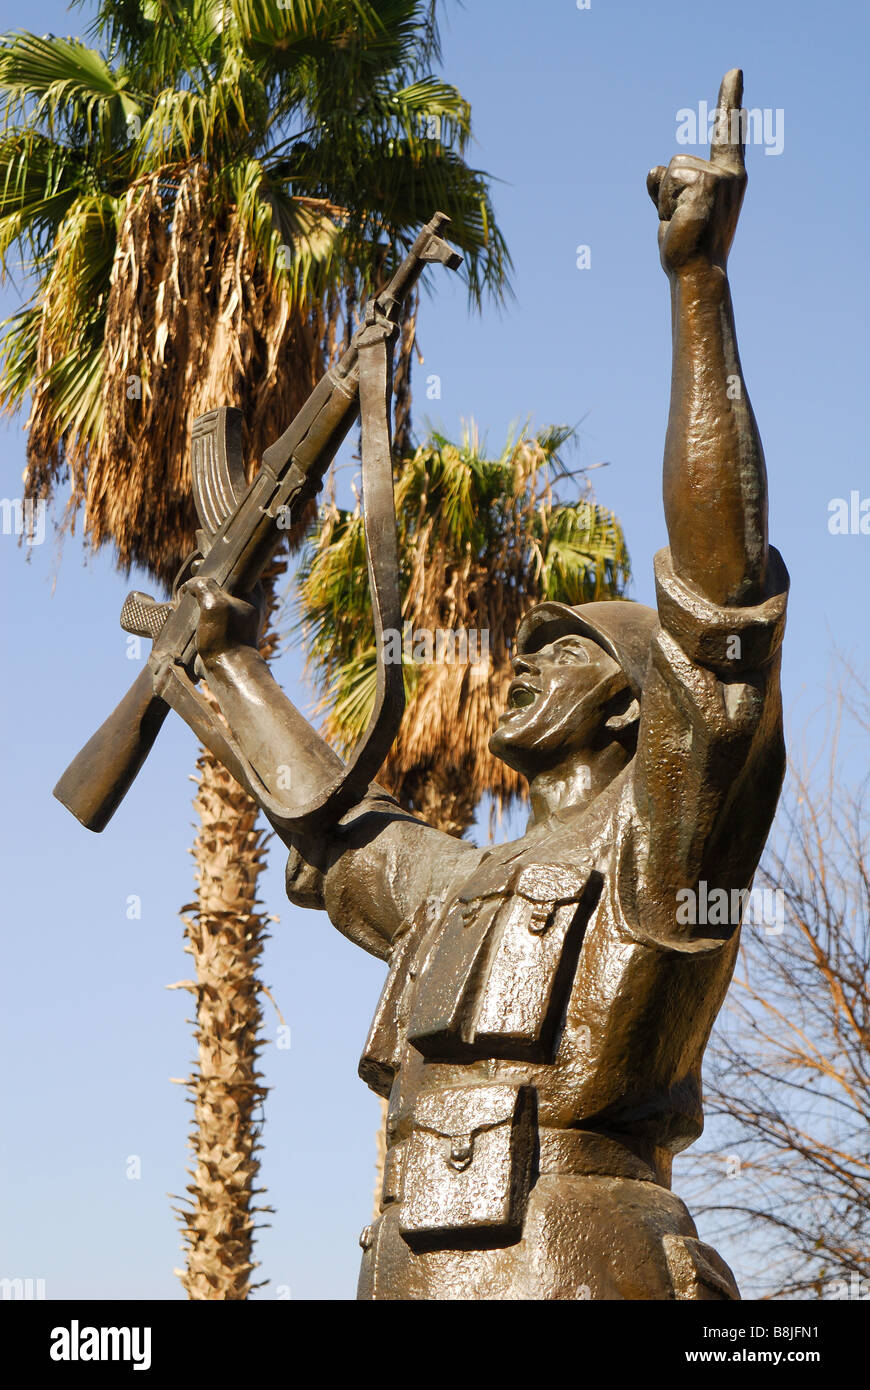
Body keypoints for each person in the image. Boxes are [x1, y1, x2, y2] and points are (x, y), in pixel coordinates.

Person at [182, 70, 788, 1300]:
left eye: (563, 650)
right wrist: (228, 660)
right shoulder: (462, 885)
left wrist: (697, 289)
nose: (521, 658)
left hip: (571, 1251)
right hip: (408, 1267)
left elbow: (721, 607)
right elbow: (335, 822)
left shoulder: (661, 842)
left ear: (633, 699)